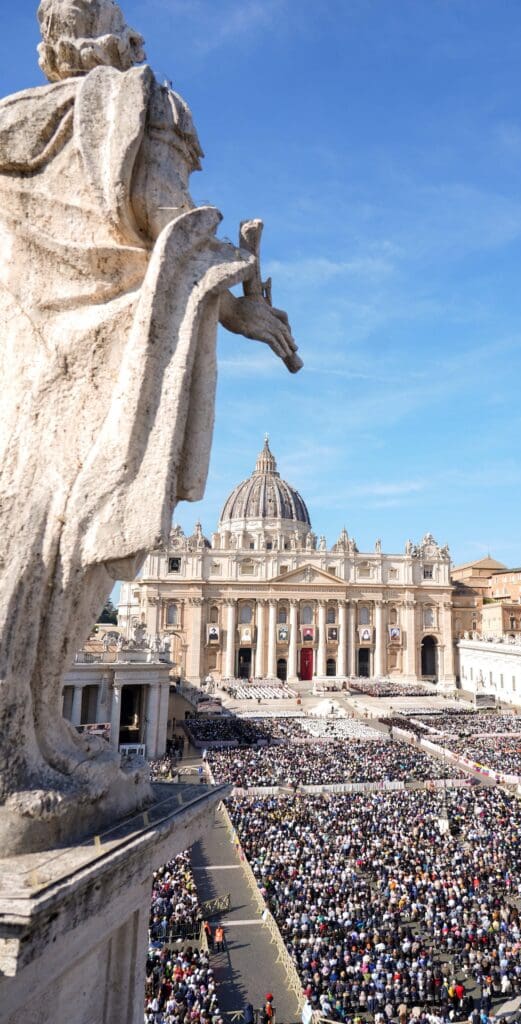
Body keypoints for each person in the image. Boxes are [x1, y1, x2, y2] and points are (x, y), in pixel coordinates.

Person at [0, 0, 299, 847]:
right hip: (93, 357)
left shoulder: (11, 124)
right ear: (116, 40)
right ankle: (17, 742)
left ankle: (28, 730)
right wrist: (236, 293)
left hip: (25, 356)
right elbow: (165, 216)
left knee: (31, 527)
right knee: (65, 537)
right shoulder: (132, 105)